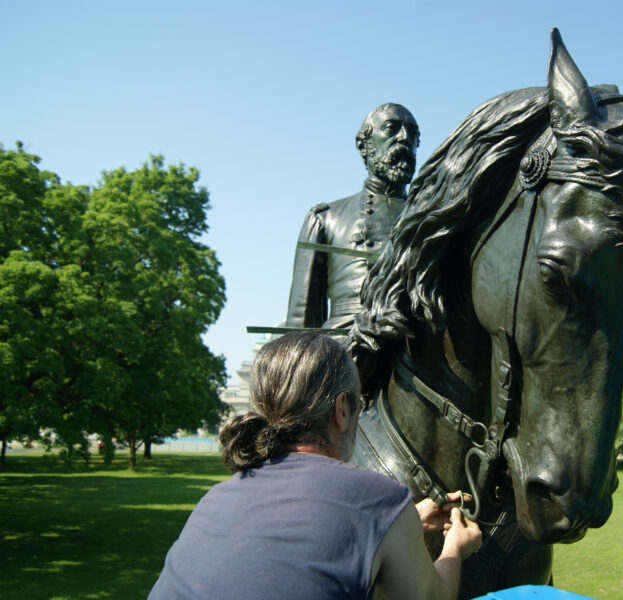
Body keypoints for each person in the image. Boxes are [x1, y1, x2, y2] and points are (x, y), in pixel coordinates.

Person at [149, 332, 481, 600]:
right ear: (341, 408)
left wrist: (401, 525)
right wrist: (455, 548)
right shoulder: (379, 498)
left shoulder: (215, 498)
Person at [286, 103, 420, 329]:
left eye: (413, 134)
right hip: (345, 345)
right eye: (391, 129)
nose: (405, 138)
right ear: (363, 145)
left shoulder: (430, 218)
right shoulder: (326, 218)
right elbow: (302, 318)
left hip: (419, 346)